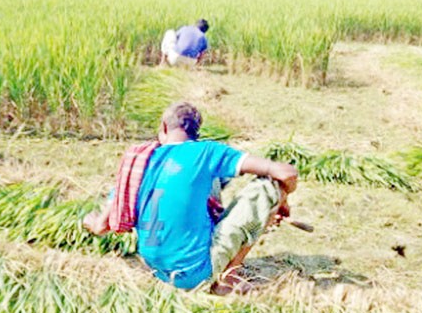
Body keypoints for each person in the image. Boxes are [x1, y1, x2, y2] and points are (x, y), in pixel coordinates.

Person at [83, 102, 297, 295]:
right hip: (194, 275)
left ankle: (209, 254)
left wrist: (87, 220)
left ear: (164, 128)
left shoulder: (138, 164)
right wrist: (282, 201)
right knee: (270, 185)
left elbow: (101, 225)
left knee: (212, 179)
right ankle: (228, 278)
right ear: (196, 132)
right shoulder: (206, 151)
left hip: (155, 268)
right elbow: (286, 173)